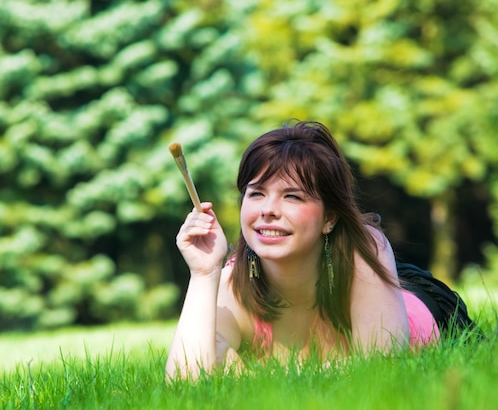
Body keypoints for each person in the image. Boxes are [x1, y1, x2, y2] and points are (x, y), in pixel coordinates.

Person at [166, 120, 476, 380]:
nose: (268, 210)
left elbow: (380, 365)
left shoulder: (366, 245)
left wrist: (249, 372)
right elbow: (184, 380)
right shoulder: (233, 281)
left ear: (329, 217)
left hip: (417, 306)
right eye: (257, 193)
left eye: (293, 197)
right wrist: (204, 272)